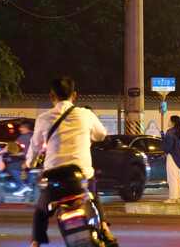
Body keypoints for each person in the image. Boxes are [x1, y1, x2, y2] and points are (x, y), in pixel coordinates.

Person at [25, 77, 116, 247]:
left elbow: (34, 147)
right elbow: (101, 135)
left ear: (52, 96)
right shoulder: (86, 114)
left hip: (54, 181)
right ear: (74, 95)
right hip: (80, 178)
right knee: (94, 195)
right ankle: (104, 227)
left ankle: (36, 243)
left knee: (40, 211)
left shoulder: (43, 119)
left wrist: (29, 163)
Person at [162, 115, 180, 204]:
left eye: (169, 121)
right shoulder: (179, 132)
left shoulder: (170, 132)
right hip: (178, 157)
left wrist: (163, 141)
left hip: (171, 156)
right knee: (178, 177)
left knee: (172, 177)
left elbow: (168, 146)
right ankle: (178, 196)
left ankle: (172, 198)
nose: (168, 122)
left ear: (173, 122)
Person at [11, 120, 34, 196]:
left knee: (12, 167)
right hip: (38, 160)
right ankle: (28, 184)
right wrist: (20, 153)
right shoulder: (34, 135)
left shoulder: (24, 136)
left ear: (26, 128)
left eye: (21, 127)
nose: (19, 129)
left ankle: (23, 186)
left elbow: (12, 146)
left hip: (30, 160)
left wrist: (1, 152)